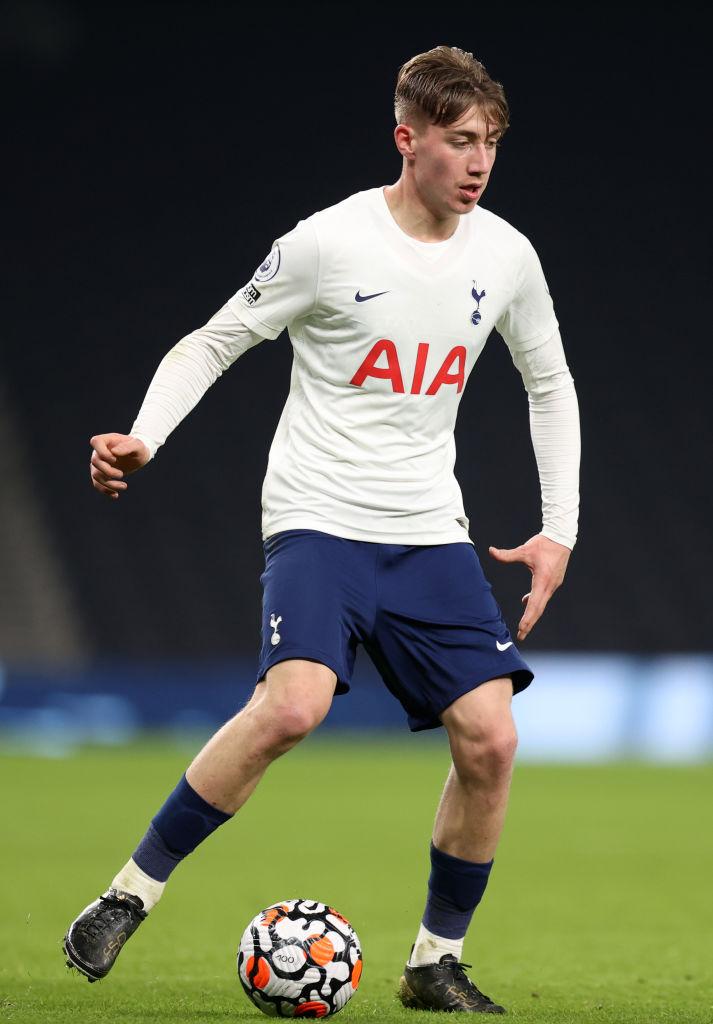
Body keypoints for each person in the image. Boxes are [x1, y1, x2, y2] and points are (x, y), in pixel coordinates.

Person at [63, 45, 580, 1014]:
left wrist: (559, 528)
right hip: (319, 517)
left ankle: (433, 962)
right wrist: (144, 435)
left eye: (490, 143)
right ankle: (128, 894)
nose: (477, 161)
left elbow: (547, 384)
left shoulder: (506, 256)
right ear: (406, 139)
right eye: (458, 140)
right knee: (293, 707)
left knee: (490, 739)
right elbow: (215, 339)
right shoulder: (327, 244)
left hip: (427, 528)